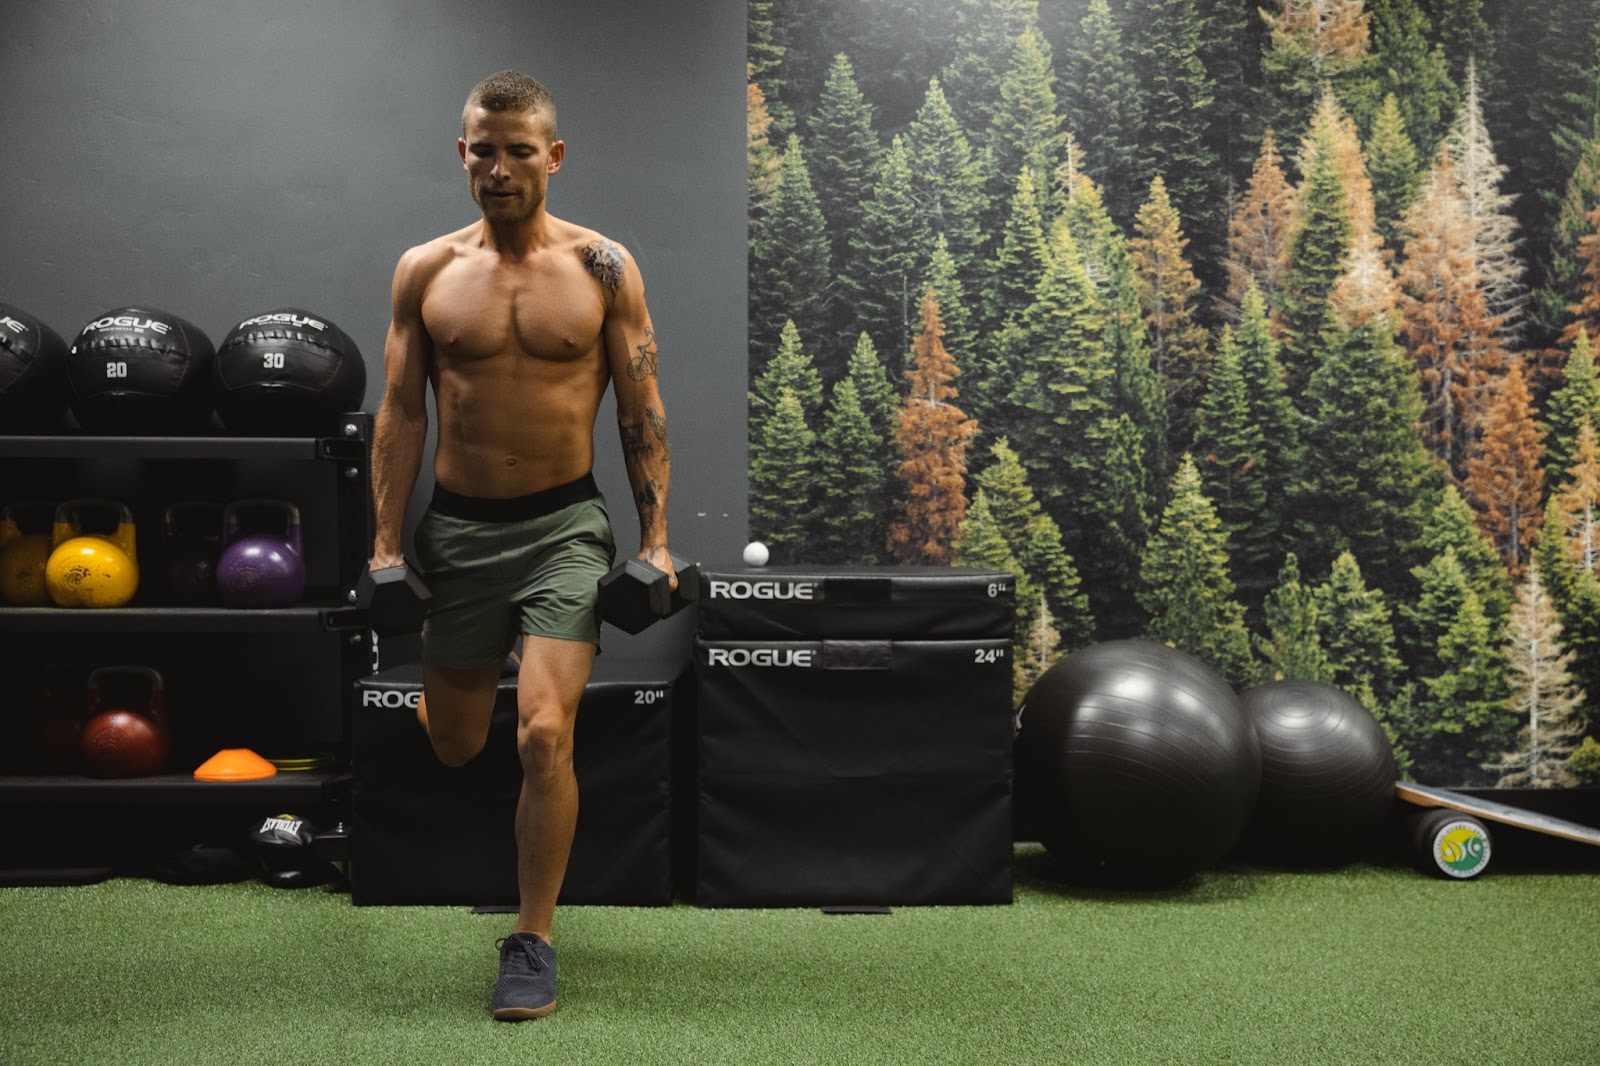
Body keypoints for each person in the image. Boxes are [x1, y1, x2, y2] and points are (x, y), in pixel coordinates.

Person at [368, 70, 674, 1021]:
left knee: (544, 733)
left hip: (563, 529)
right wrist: (385, 547)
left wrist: (658, 540)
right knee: (457, 744)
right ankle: (493, 652)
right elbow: (401, 411)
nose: (499, 170)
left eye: (519, 152)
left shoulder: (602, 268)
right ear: (462, 153)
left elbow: (641, 408)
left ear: (555, 156)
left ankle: (532, 939)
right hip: (461, 532)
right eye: (483, 151)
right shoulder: (425, 270)